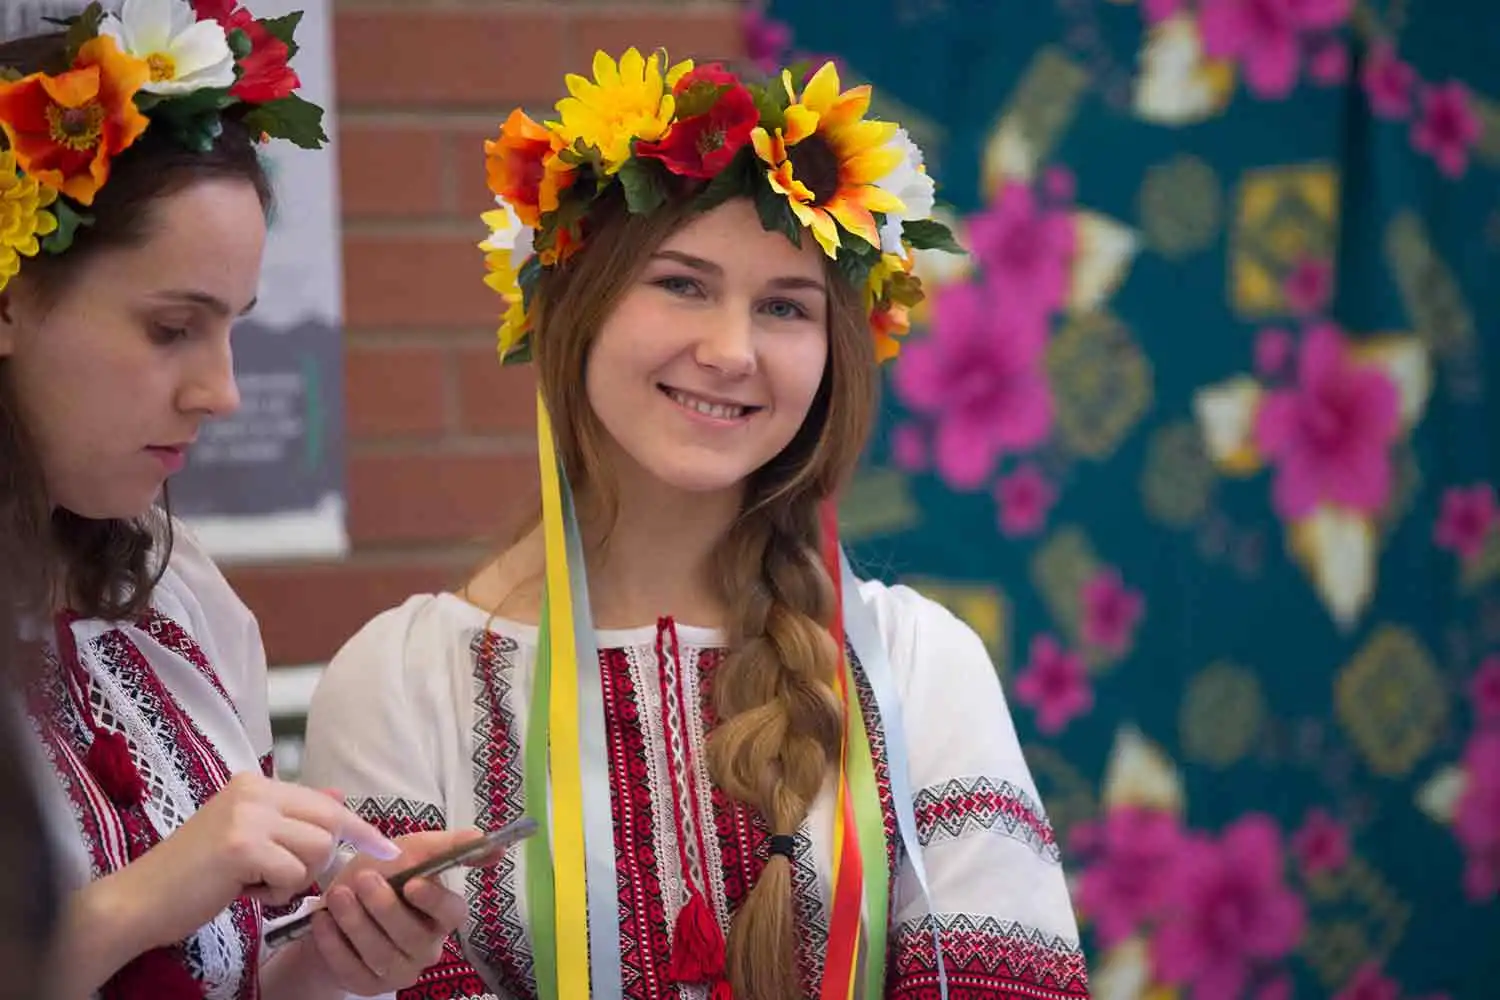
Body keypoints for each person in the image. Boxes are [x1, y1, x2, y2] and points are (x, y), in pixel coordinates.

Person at [303, 49, 1091, 1000]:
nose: (730, 350)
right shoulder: (402, 681)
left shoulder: (918, 664)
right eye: (680, 283)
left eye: (785, 307)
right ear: (573, 309)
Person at [0, 3, 497, 997]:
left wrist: (321, 963)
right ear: (11, 298)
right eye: (171, 327)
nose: (220, 391)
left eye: (233, 328)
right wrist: (139, 899)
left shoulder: (177, 597)